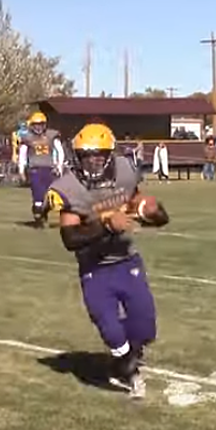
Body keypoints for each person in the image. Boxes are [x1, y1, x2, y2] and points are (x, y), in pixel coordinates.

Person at [46, 123, 170, 399]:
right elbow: (70, 238)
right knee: (110, 326)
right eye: (87, 155)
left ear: (109, 154)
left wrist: (150, 211)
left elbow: (140, 202)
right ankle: (124, 361)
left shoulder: (125, 170)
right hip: (94, 268)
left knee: (145, 325)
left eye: (99, 155)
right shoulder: (68, 186)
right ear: (76, 156)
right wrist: (107, 226)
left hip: (127, 261)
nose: (93, 161)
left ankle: (128, 354)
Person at [18, 112, 64, 228]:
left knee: (51, 197)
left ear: (45, 125)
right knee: (38, 196)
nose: (38, 127)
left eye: (40, 124)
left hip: (49, 169)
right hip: (35, 169)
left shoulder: (51, 135)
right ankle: (38, 220)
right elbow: (22, 155)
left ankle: (43, 214)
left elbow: (60, 151)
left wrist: (59, 166)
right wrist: (21, 170)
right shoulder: (27, 137)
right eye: (36, 124)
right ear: (32, 125)